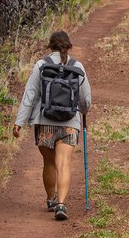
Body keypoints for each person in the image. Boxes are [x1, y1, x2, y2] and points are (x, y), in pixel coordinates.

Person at [13, 30, 92, 221]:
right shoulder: (77, 66)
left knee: (48, 162)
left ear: (50, 46)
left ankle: (51, 199)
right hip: (69, 123)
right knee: (63, 163)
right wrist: (83, 111)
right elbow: (85, 99)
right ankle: (62, 204)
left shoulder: (41, 65)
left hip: (44, 121)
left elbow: (30, 95)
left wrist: (19, 122)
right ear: (69, 46)